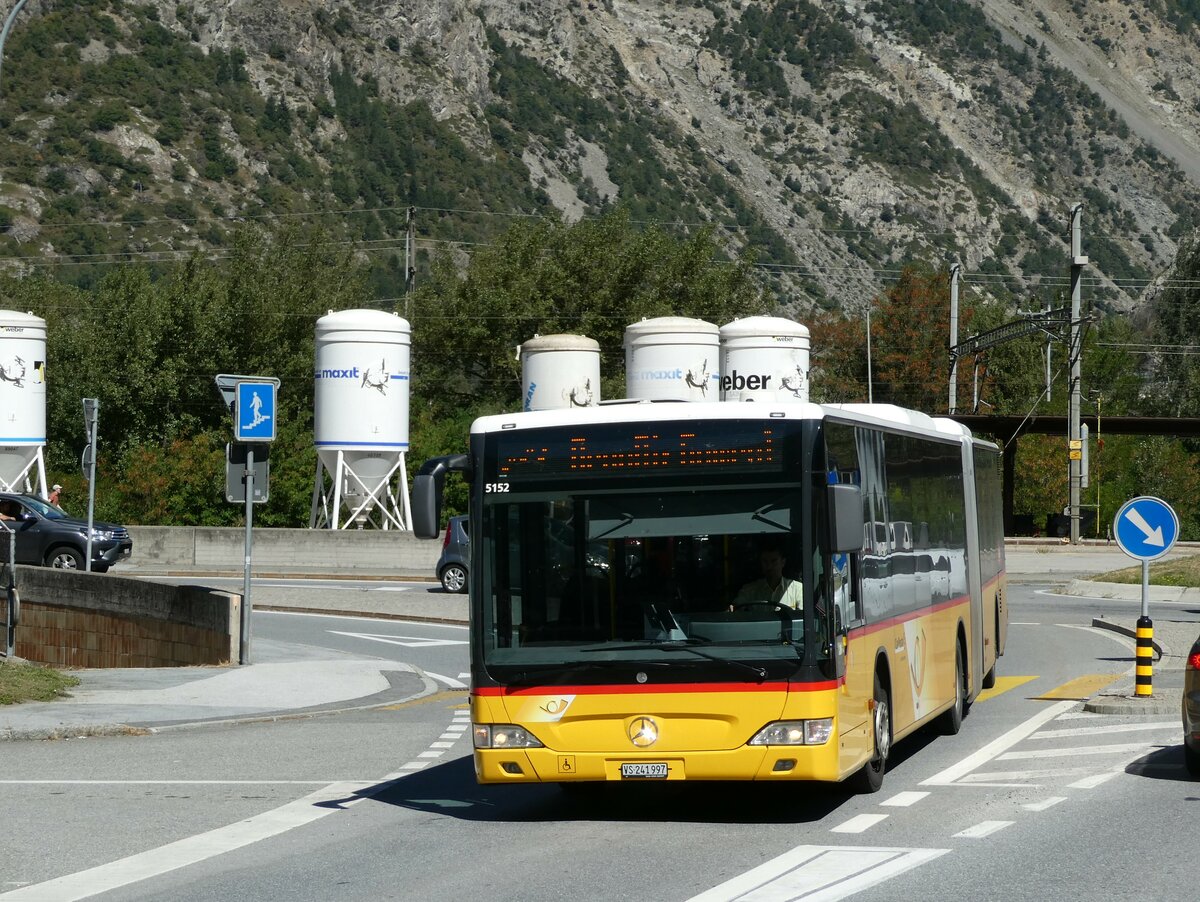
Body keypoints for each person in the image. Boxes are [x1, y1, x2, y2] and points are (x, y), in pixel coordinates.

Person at [734, 544, 803, 610]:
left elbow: (804, 615)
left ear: (783, 562)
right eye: (765, 561)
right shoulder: (749, 590)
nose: (769, 566)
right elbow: (735, 608)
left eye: (774, 561)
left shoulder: (797, 589)